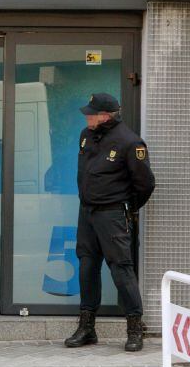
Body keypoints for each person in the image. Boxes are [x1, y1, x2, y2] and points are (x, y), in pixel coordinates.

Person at [65, 93, 156, 352]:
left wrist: (127, 208)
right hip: (88, 213)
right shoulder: (86, 135)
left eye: (91, 113)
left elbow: (146, 183)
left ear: (106, 116)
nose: (87, 116)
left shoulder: (130, 142)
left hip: (113, 214)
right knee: (87, 266)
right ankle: (87, 328)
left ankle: (134, 329)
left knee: (121, 269)